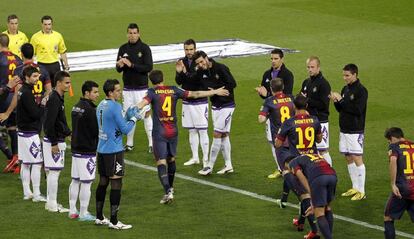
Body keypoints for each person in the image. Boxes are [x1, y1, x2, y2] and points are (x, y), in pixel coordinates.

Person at [136, 70, 228, 204]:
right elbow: (195, 94)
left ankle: (167, 191)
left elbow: (143, 103)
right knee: (171, 159)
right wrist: (214, 92)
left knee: (161, 162)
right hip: (173, 130)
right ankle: (171, 188)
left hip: (159, 132)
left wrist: (134, 109)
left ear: (151, 81)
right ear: (163, 79)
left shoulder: (152, 92)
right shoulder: (173, 90)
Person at [95, 79, 140, 230]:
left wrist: (126, 117)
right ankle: (114, 221)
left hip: (101, 149)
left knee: (102, 182)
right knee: (116, 183)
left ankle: (100, 217)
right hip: (113, 150)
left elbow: (113, 124)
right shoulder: (115, 106)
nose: (120, 93)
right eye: (118, 90)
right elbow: (126, 130)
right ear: (110, 93)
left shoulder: (101, 104)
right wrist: (133, 119)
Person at [192, 51, 237, 175]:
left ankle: (209, 166)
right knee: (224, 135)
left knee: (217, 133)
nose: (201, 64)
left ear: (207, 58)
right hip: (215, 106)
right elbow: (204, 86)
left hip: (227, 106)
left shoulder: (221, 68)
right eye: (198, 63)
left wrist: (217, 89)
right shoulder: (201, 72)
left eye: (202, 61)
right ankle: (228, 165)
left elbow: (233, 84)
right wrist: (216, 91)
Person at [330, 63, 368, 201]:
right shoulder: (345, 89)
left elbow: (357, 110)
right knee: (348, 157)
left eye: (347, 75)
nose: (344, 78)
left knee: (357, 157)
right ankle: (355, 187)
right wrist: (336, 102)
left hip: (355, 130)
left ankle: (362, 191)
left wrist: (341, 99)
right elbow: (342, 109)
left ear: (355, 75)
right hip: (344, 129)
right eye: (343, 75)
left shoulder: (361, 91)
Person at [256, 49, 294, 179]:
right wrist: (262, 93)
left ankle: (290, 167)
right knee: (272, 141)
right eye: (271, 58)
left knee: (286, 142)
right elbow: (265, 94)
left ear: (282, 59)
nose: (273, 61)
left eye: (276, 58)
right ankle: (280, 168)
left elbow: (287, 95)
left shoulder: (288, 74)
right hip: (271, 115)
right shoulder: (267, 73)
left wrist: (266, 94)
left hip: (284, 116)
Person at [116, 23, 153, 153]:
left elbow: (148, 67)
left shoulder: (144, 48)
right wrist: (120, 65)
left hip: (141, 89)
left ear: (139, 33)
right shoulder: (122, 48)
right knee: (128, 115)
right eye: (130, 33)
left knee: (146, 114)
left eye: (134, 33)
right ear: (127, 34)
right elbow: (118, 69)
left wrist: (131, 65)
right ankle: (129, 143)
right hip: (127, 89)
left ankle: (151, 143)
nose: (132, 35)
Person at [175, 39, 210, 168]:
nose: (189, 52)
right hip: (187, 100)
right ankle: (195, 157)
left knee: (202, 131)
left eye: (191, 49)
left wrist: (184, 73)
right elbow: (179, 81)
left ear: (195, 49)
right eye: (186, 49)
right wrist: (179, 72)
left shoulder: (199, 63)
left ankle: (206, 160)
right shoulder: (181, 61)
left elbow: (195, 79)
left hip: (200, 100)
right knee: (192, 130)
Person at [68, 81, 99, 221]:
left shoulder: (76, 106)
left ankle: (72, 210)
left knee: (75, 180)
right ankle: (84, 213)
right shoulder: (91, 110)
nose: (97, 95)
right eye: (95, 92)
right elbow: (96, 131)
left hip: (76, 149)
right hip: (87, 150)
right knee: (86, 182)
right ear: (87, 93)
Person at [16, 65, 47, 202]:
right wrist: (42, 105)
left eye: (38, 76)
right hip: (30, 133)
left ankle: (27, 192)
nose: (37, 78)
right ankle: (36, 193)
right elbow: (35, 114)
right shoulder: (27, 93)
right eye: (34, 76)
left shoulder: (22, 91)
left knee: (26, 163)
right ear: (27, 77)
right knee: (36, 163)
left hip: (22, 133)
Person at [0, 43, 52, 124]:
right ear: (33, 54)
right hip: (39, 107)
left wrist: (7, 113)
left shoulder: (19, 70)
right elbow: (49, 90)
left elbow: (17, 94)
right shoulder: (43, 69)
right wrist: (42, 103)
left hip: (25, 108)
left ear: (21, 54)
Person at [289, 153, 337, 239]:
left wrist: (312, 195)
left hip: (318, 178)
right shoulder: (313, 155)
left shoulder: (292, 163)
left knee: (319, 213)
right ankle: (329, 235)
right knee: (327, 207)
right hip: (332, 175)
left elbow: (301, 177)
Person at [43, 71, 72, 213]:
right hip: (53, 141)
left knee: (52, 173)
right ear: (58, 83)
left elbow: (58, 121)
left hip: (55, 139)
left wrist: (67, 132)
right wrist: (54, 143)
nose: (69, 85)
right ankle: (52, 204)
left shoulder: (57, 97)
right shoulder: (55, 99)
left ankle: (50, 202)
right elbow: (49, 123)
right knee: (54, 173)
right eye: (66, 82)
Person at [300, 56, 332, 166]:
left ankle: (330, 173)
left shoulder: (324, 84)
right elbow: (301, 98)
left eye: (312, 67)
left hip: (321, 121)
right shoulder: (306, 82)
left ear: (318, 68)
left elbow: (324, 105)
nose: (310, 69)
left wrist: (307, 101)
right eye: (308, 67)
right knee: (310, 150)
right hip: (308, 121)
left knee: (323, 150)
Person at [383, 127, 414, 239]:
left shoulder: (394, 147)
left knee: (388, 217)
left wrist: (392, 184)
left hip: (402, 188)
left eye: (389, 140)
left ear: (392, 138)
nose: (389, 143)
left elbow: (393, 161)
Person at [0, 33, 22, 173]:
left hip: (3, 96)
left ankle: (10, 156)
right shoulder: (18, 58)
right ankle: (16, 159)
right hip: (15, 98)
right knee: (12, 127)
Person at [30, 15, 69, 86]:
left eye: (49, 24)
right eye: (45, 24)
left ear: (52, 24)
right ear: (41, 24)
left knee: (57, 88)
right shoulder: (35, 37)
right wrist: (32, 67)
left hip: (55, 65)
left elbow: (62, 52)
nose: (47, 27)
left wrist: (66, 66)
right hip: (42, 66)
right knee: (44, 88)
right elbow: (31, 54)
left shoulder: (58, 36)